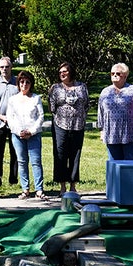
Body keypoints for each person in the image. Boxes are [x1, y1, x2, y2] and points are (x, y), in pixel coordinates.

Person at [47, 62, 88, 195]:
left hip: (78, 125)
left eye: (64, 71)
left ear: (71, 72)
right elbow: (51, 106)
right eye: (60, 72)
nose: (62, 74)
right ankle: (62, 186)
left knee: (75, 154)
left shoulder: (82, 86)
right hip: (60, 125)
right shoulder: (55, 88)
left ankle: (73, 186)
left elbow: (86, 104)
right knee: (60, 154)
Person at [6, 70, 47, 200]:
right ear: (18, 83)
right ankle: (25, 189)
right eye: (22, 82)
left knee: (36, 162)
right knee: (22, 162)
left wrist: (31, 131)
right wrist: (19, 132)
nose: (24, 84)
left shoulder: (36, 98)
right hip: (17, 135)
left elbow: (41, 117)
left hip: (33, 134)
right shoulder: (13, 100)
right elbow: (10, 118)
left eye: (27, 82)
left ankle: (39, 189)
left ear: (31, 84)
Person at [97, 63, 133, 160]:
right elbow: (101, 112)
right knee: (114, 165)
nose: (115, 75)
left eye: (118, 73)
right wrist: (102, 131)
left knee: (131, 165)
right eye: (112, 73)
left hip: (130, 134)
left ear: (125, 76)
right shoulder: (105, 91)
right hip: (111, 134)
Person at [0, 56, 19, 189]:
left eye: (7, 67)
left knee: (15, 152)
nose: (4, 69)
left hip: (14, 123)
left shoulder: (18, 82)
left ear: (11, 67)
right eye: (2, 67)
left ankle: (13, 178)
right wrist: (0, 116)